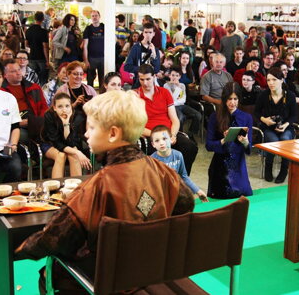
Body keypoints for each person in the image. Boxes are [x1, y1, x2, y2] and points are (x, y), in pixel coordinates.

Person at [15, 90, 195, 294]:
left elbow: (54, 240)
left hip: (108, 282)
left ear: (113, 133)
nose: (85, 134)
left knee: (49, 271)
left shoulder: (96, 188)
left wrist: (19, 249)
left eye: (91, 127)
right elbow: (185, 205)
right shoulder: (164, 173)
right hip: (148, 269)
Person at [137, 64, 198, 174]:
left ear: (154, 77)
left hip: (169, 133)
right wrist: (157, 136)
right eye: (141, 79)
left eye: (148, 79)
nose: (145, 83)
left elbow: (174, 119)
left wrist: (172, 135)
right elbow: (136, 126)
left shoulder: (164, 92)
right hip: (150, 136)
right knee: (156, 158)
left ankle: (181, 178)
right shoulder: (136, 96)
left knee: (190, 147)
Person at [206, 82, 253, 198]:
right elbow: (208, 145)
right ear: (224, 99)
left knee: (243, 195)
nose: (232, 102)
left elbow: (249, 149)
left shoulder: (247, 117)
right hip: (219, 167)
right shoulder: (214, 117)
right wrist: (223, 140)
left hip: (238, 165)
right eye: (229, 99)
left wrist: (245, 142)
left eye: (235, 99)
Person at [255, 67, 297, 183]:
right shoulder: (263, 95)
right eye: (268, 80)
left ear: (281, 80)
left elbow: (294, 115)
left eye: (274, 80)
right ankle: (268, 167)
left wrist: (285, 125)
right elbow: (256, 112)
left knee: (284, 139)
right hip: (268, 127)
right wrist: (265, 120)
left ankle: (284, 169)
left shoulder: (290, 96)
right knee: (273, 141)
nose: (271, 83)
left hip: (286, 126)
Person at [150, 125, 207, 201]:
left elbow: (184, 177)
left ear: (171, 139)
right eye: (157, 140)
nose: (161, 143)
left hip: (175, 193)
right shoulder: (151, 160)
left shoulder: (178, 155)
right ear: (153, 144)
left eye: (164, 139)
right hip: (159, 196)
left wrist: (198, 191)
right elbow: (150, 183)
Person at [40, 93, 91, 178]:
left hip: (69, 144)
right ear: (54, 108)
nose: (64, 110)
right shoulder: (49, 116)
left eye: (67, 106)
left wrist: (66, 124)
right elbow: (57, 143)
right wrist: (78, 152)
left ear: (71, 106)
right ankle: (56, 188)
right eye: (60, 106)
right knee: (61, 156)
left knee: (74, 156)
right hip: (50, 143)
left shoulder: (77, 116)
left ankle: (76, 187)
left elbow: (71, 142)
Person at [0, 59, 48, 143]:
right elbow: (3, 114)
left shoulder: (34, 87)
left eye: (19, 70)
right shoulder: (1, 92)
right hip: (15, 125)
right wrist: (17, 123)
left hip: (35, 121)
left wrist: (37, 121)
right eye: (13, 71)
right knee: (22, 136)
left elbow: (44, 108)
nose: (18, 73)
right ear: (5, 75)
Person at [164, 66, 201, 141]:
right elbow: (170, 99)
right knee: (180, 118)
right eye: (173, 75)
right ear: (170, 75)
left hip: (181, 105)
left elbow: (183, 100)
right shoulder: (166, 85)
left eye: (177, 76)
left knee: (198, 115)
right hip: (172, 107)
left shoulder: (182, 85)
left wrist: (178, 86)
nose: (174, 77)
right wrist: (175, 87)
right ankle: (181, 136)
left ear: (180, 76)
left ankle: (191, 134)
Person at [125, 23, 160, 89]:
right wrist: (142, 69)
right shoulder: (136, 48)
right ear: (143, 33)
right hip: (139, 82)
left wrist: (154, 54)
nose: (148, 35)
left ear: (153, 34)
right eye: (146, 32)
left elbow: (156, 69)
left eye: (150, 32)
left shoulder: (155, 49)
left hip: (151, 83)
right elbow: (127, 66)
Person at [25, 11, 50, 85]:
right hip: (41, 57)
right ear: (43, 19)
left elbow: (26, 44)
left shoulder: (28, 31)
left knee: (32, 77)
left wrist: (33, 46)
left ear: (34, 18)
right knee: (43, 78)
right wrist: (47, 60)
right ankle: (42, 92)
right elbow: (45, 47)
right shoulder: (43, 32)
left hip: (32, 56)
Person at [82, 10, 105, 87]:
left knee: (103, 80)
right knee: (90, 80)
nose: (94, 17)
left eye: (96, 15)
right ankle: (89, 97)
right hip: (91, 58)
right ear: (91, 18)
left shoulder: (104, 27)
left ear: (99, 17)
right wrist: (86, 61)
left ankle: (102, 97)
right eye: (93, 16)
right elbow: (85, 46)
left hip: (103, 58)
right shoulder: (88, 29)